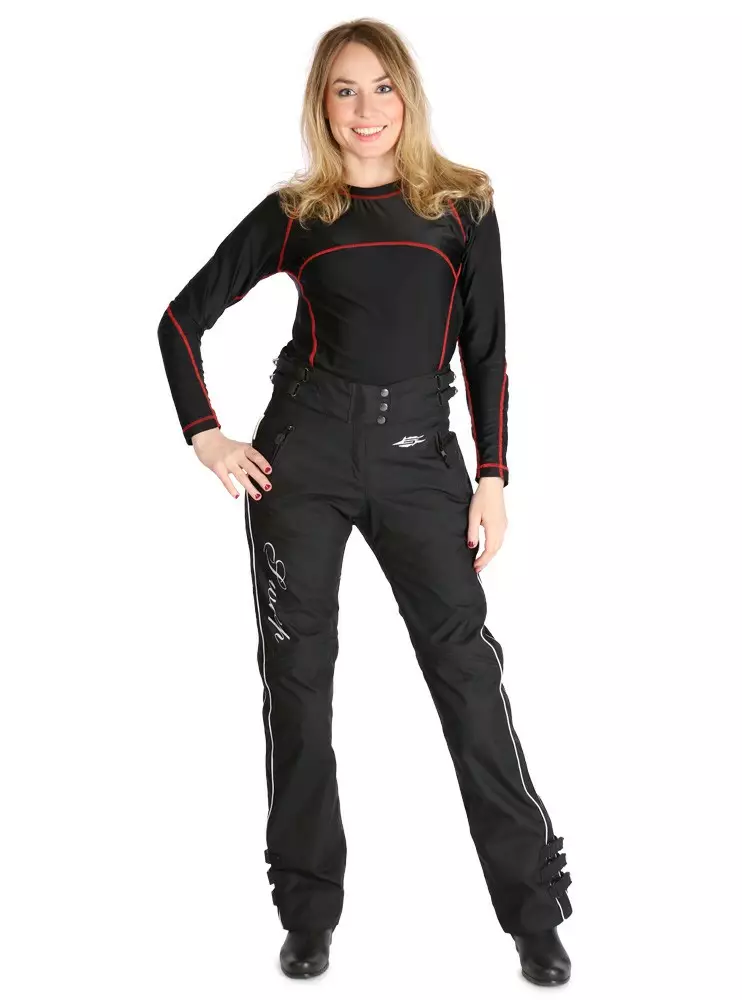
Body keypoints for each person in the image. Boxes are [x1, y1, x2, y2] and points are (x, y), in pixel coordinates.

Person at [157, 17, 573, 987]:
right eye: (344, 89)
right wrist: (207, 435)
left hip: (420, 459)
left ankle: (533, 915)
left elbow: (487, 350)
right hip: (300, 458)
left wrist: (493, 476)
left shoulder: (462, 206)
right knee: (297, 682)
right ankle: (307, 913)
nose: (365, 107)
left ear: (407, 96)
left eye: (381, 86)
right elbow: (179, 320)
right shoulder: (297, 212)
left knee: (466, 676)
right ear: (322, 103)